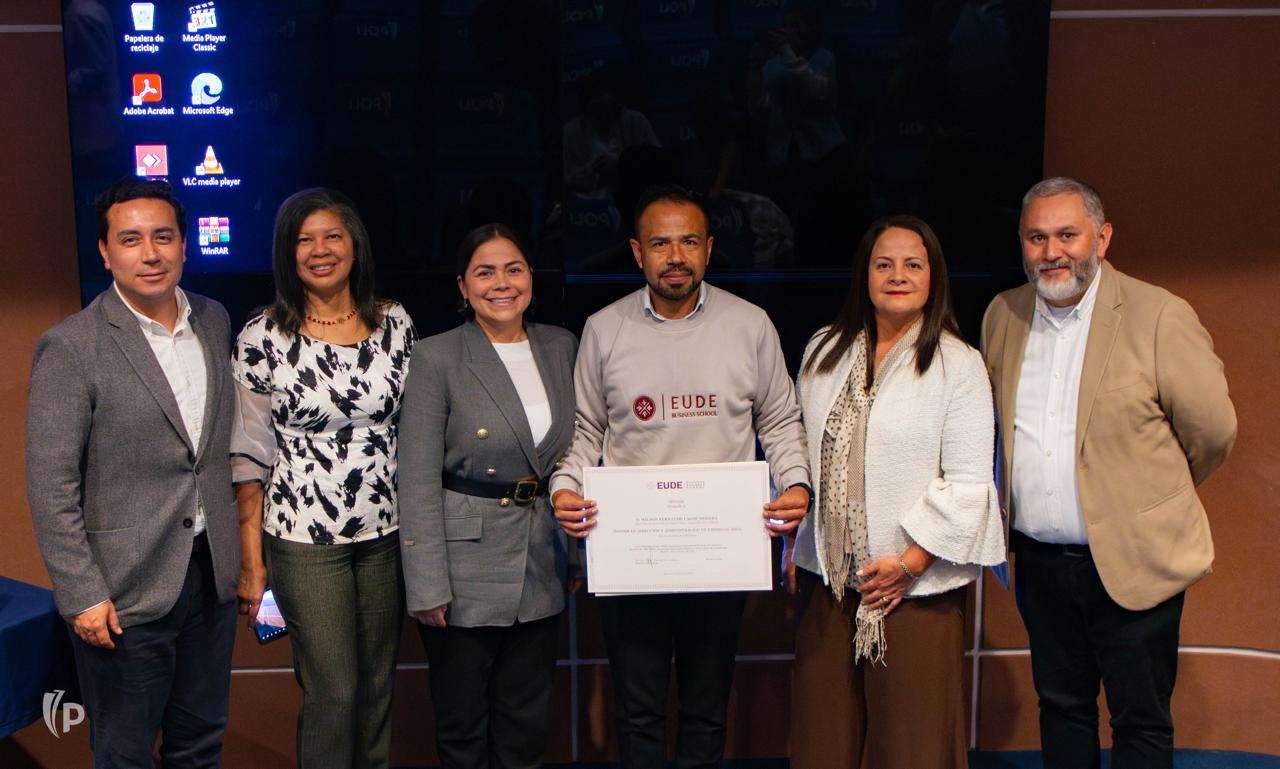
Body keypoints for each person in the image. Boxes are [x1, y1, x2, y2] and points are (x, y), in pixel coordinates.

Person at [550, 185, 812, 769]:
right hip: (631, 553)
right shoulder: (604, 329)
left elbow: (780, 422)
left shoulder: (750, 325)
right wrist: (565, 488)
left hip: (720, 554)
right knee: (637, 713)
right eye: (660, 243)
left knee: (706, 711)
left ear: (709, 249)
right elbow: (586, 430)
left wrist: (796, 485)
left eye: (689, 242)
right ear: (636, 252)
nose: (675, 256)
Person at [981, 177, 1236, 769]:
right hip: (1040, 563)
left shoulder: (1159, 314)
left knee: (1140, 721)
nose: (1052, 252)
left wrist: (1148, 498)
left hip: (1135, 557)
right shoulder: (1002, 315)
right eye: (1036, 238)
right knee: (1061, 710)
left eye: (1067, 235)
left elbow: (1213, 432)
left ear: (1102, 238)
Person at [26, 178, 239, 767]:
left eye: (163, 237)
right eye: (131, 239)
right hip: (122, 594)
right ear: (105, 251)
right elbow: (50, 486)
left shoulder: (214, 320)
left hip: (210, 576)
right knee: (124, 754)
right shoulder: (72, 346)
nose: (150, 253)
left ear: (184, 245)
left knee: (200, 746)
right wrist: (83, 595)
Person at [789, 215, 1005, 768]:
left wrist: (909, 565)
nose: (897, 275)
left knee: (912, 749)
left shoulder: (959, 364)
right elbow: (802, 455)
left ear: (934, 276)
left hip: (915, 589)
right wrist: (797, 543)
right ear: (864, 274)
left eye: (913, 264)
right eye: (883, 264)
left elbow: (970, 484)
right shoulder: (822, 350)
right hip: (829, 582)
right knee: (822, 745)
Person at [231, 188, 415, 769]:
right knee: (333, 691)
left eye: (332, 236)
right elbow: (248, 458)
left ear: (354, 245)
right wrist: (252, 563)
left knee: (377, 686)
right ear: (287, 254)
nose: (320, 250)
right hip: (304, 539)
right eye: (304, 240)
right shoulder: (262, 336)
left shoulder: (395, 322)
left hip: (387, 533)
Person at [398, 223, 578, 769]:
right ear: (463, 286)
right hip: (462, 570)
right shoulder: (437, 356)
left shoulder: (560, 346)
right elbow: (417, 478)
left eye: (513, 269)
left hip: (540, 559)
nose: (502, 283)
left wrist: (576, 554)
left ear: (531, 277)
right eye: (485, 272)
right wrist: (426, 584)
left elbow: (576, 454)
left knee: (525, 731)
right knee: (463, 734)